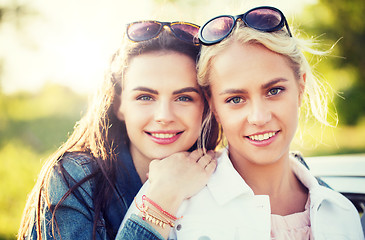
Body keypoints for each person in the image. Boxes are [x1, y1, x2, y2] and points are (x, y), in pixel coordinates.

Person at [128, 6, 364, 239]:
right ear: (214, 106)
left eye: (274, 91)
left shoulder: (342, 214)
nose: (259, 117)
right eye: (236, 99)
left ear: (300, 89)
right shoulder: (170, 202)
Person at [17, 20, 220, 240]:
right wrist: (162, 199)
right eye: (145, 97)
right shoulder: (75, 179)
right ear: (119, 106)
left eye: (183, 98)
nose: (164, 116)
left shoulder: (225, 177)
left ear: (206, 106)